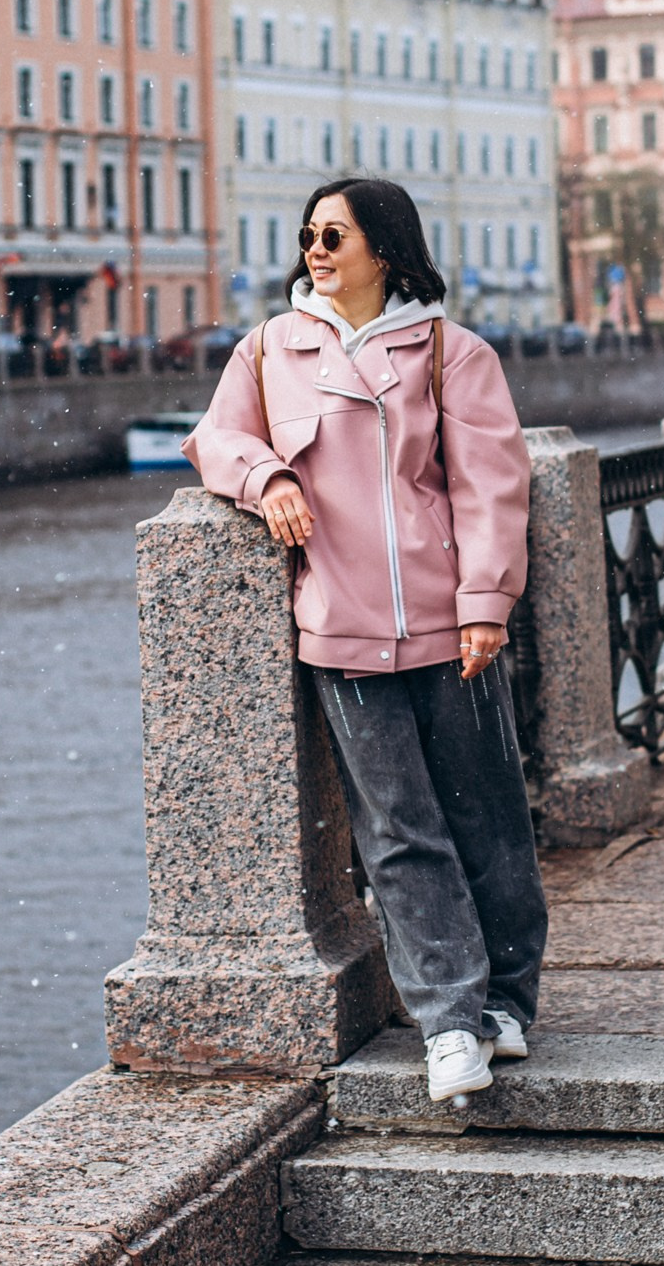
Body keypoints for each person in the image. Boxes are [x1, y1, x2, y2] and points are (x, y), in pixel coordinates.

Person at [185, 177, 543, 1103]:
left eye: (335, 235)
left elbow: (490, 488)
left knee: (487, 818)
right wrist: (266, 477)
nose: (317, 249)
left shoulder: (449, 353)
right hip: (338, 633)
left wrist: (484, 603)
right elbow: (215, 437)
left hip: (447, 623)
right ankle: (450, 1022)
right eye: (309, 234)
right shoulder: (270, 350)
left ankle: (509, 1000)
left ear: (384, 248)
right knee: (397, 833)